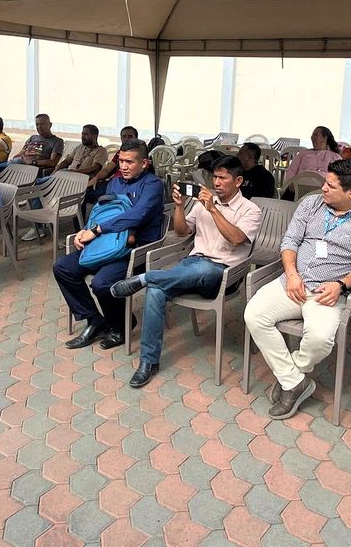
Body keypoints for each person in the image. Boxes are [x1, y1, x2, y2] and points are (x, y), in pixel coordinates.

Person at [244, 159, 351, 419]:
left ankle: (290, 377)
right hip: (293, 283)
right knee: (254, 315)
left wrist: (340, 285)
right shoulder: (311, 204)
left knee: (320, 340)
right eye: (325, 182)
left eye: (330, 186)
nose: (323, 188)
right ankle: (294, 382)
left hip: (328, 292)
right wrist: (292, 275)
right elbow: (290, 241)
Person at [110, 155, 262, 387]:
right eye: (215, 177)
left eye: (223, 178)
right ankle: (148, 362)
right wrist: (179, 207)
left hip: (223, 273)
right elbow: (181, 232)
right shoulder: (202, 203)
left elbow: (236, 239)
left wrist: (213, 210)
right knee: (155, 292)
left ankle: (145, 277)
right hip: (191, 265)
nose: (217, 182)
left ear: (238, 181)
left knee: (197, 271)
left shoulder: (250, 210)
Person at [53, 139, 165, 350]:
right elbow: (101, 211)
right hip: (106, 245)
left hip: (135, 251)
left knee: (101, 283)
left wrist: (97, 230)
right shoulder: (115, 183)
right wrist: (84, 230)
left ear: (144, 163)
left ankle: (122, 325)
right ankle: (95, 320)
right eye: (121, 161)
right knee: (63, 268)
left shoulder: (153, 185)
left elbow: (137, 215)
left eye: (130, 162)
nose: (123, 166)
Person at [86, 126, 139, 206]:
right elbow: (107, 170)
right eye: (124, 136)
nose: (127, 139)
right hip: (113, 182)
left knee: (98, 197)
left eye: (130, 136)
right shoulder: (119, 153)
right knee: (84, 193)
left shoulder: (139, 154)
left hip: (126, 185)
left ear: (136, 138)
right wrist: (95, 178)